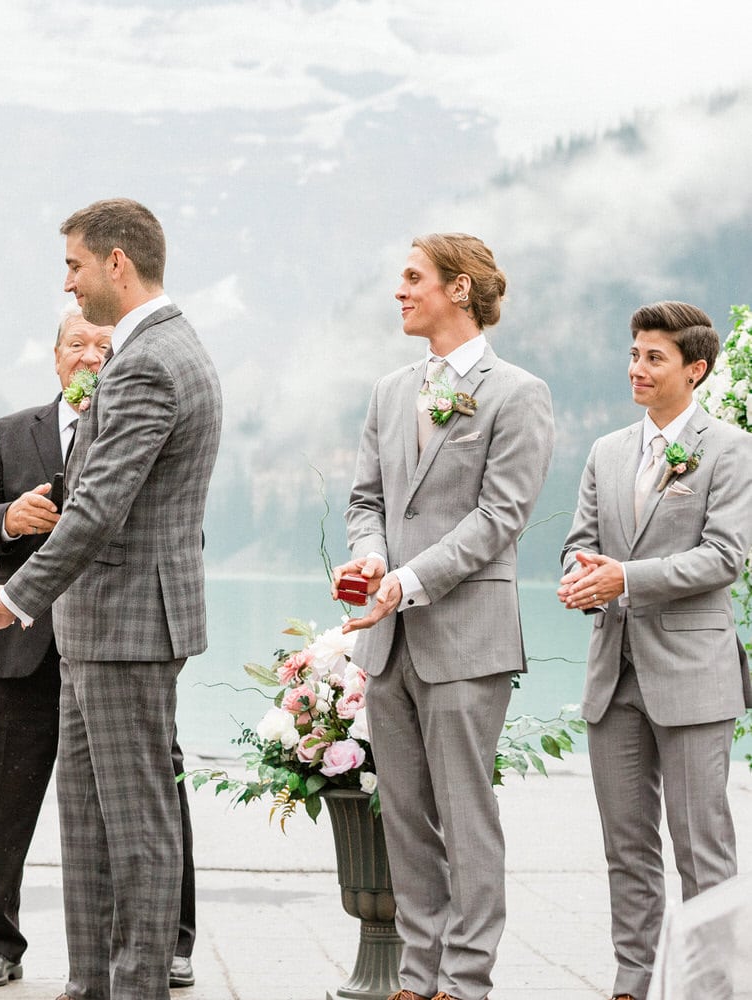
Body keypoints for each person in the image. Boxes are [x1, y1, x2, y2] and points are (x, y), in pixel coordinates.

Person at [0, 199, 222, 1000]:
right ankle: (88, 985)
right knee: (86, 828)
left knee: (137, 830)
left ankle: (137, 987)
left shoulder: (150, 360)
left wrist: (12, 601)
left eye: (75, 265)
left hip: (127, 626)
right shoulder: (155, 348)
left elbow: (99, 506)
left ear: (118, 261)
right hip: (98, 627)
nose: (69, 283)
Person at [334, 234, 554, 1000]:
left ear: (459, 289)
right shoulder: (391, 391)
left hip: (467, 637)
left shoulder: (517, 392)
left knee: (466, 816)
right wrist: (369, 558)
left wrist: (408, 579)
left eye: (413, 278)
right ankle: (416, 972)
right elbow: (367, 501)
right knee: (402, 816)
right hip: (388, 643)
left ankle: (465, 982)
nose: (399, 291)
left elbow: (501, 516)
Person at [557, 301, 752, 1000]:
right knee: (627, 846)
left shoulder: (730, 449)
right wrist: (580, 574)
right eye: (635, 354)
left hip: (695, 675)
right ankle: (632, 982)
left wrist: (624, 578)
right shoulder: (605, 450)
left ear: (694, 369)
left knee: (704, 848)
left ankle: (714, 988)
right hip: (614, 674)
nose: (636, 368)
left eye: (654, 358)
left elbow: (724, 558)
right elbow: (579, 539)